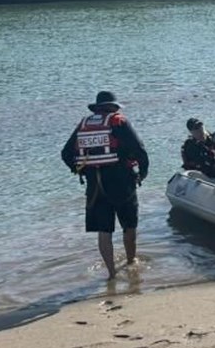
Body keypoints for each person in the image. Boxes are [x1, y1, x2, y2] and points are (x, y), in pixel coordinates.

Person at [61, 91, 150, 279]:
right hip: (122, 182)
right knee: (129, 225)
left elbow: (66, 154)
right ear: (114, 107)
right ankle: (131, 261)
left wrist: (81, 170)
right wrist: (142, 174)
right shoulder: (119, 122)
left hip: (95, 186)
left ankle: (111, 274)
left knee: (104, 231)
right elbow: (140, 150)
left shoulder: (84, 125)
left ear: (97, 107)